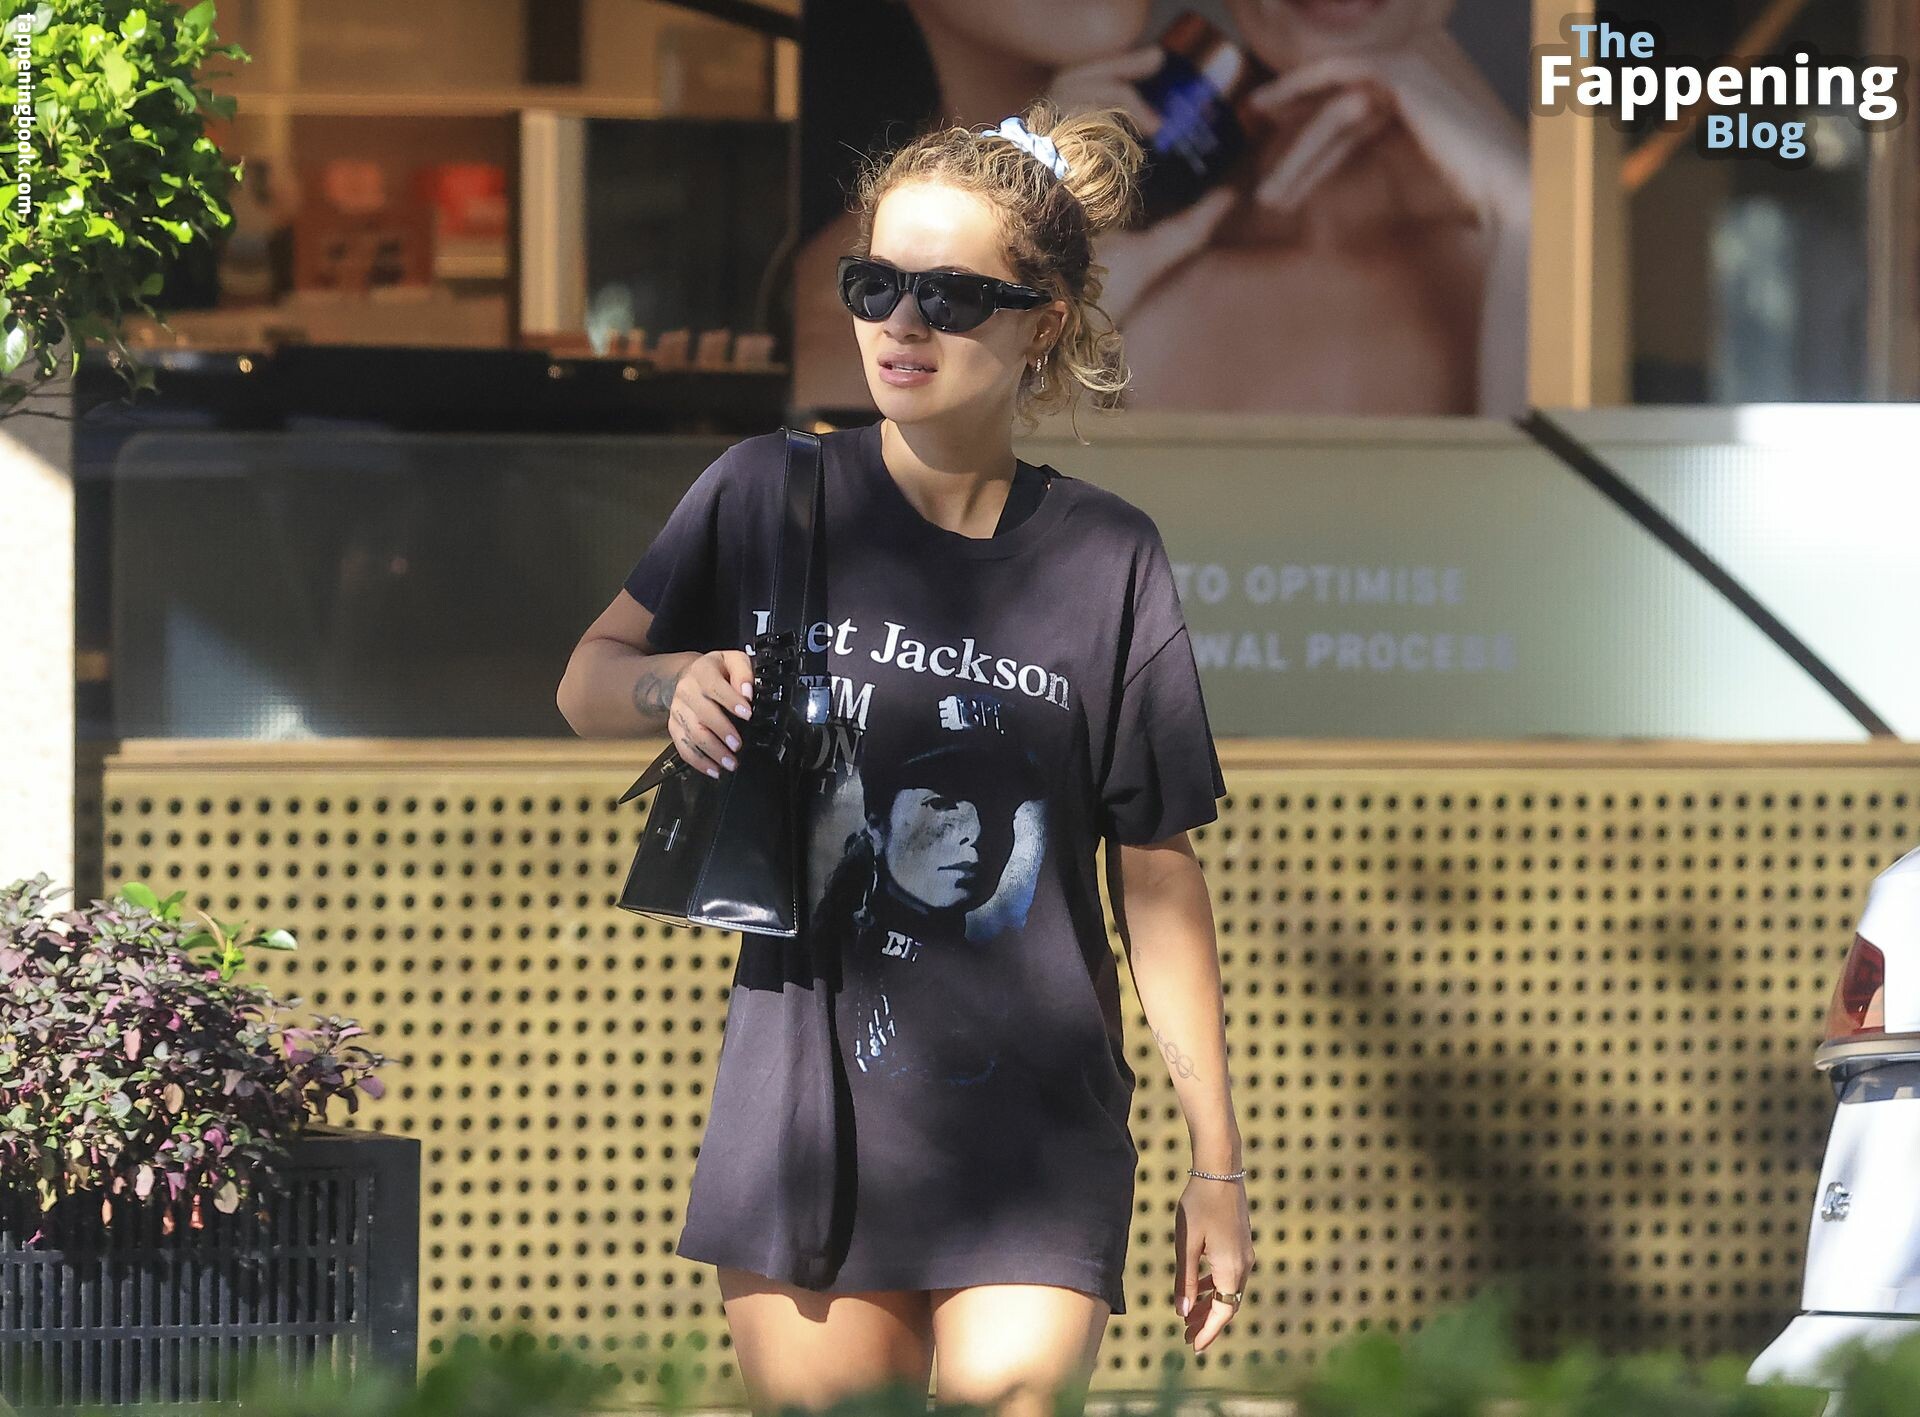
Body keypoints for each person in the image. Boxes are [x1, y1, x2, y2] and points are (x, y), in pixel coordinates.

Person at [556, 98, 1254, 1417]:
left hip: (1037, 1127)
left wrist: (1214, 1162)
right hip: (806, 1114)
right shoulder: (768, 492)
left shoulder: (1109, 556)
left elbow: (1157, 872)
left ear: (1043, 322)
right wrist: (672, 684)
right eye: (875, 284)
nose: (901, 323)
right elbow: (586, 678)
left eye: (950, 294)